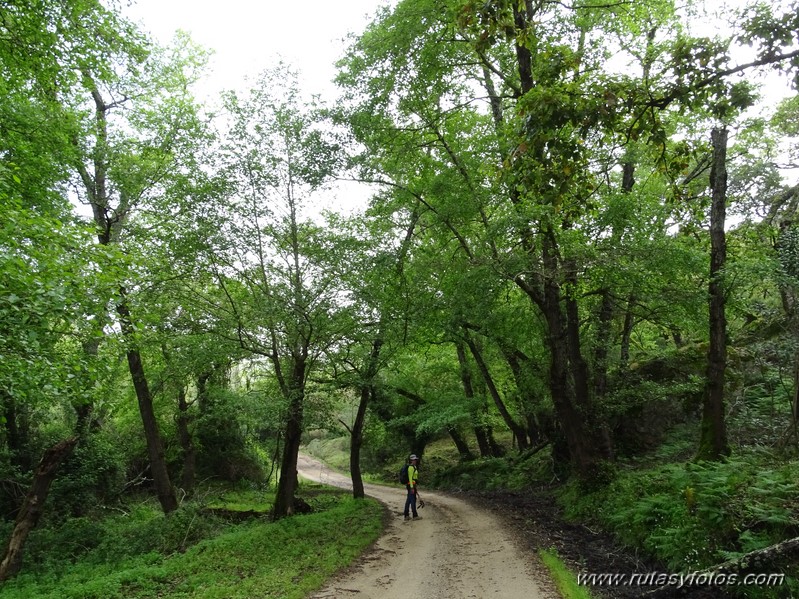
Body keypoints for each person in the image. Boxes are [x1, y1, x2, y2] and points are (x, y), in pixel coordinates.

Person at [403, 454, 420, 521]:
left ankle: (406, 515)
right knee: (413, 500)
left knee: (409, 500)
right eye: (415, 459)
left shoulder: (413, 467)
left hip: (412, 485)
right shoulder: (410, 468)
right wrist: (412, 487)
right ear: (411, 460)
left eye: (416, 459)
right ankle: (415, 515)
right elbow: (410, 478)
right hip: (411, 485)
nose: (416, 460)